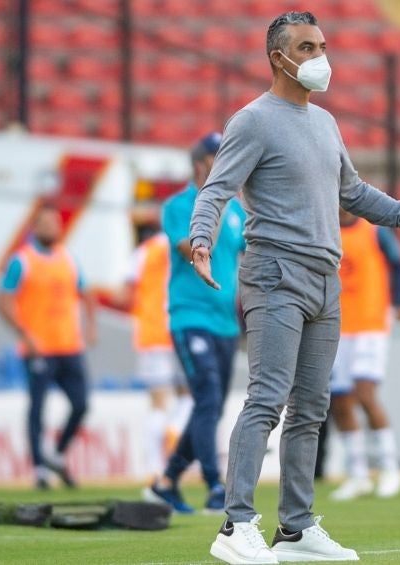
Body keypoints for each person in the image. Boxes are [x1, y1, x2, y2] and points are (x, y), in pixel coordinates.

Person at [186, 12, 400, 564]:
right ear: (278, 58)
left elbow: (355, 194)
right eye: (307, 47)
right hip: (275, 272)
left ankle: (295, 529)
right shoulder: (252, 120)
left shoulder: (325, 122)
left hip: (324, 278)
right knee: (268, 397)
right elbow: (216, 189)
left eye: (321, 45)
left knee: (312, 407)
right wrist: (202, 238)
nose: (320, 56)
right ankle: (235, 523)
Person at [143, 132, 245, 515]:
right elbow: (190, 247)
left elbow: (253, 248)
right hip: (190, 316)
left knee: (211, 407)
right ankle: (214, 484)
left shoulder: (236, 210)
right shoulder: (178, 206)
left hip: (226, 323)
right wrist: (214, 205)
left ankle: (167, 481)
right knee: (208, 399)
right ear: (200, 163)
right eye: (218, 156)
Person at [0, 203, 96, 490]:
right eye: (46, 223)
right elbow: (3, 301)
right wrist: (25, 336)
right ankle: (40, 468)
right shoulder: (22, 261)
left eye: (55, 223)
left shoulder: (68, 259)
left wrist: (90, 327)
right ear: (35, 228)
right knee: (37, 407)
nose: (53, 227)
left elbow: (86, 293)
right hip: (39, 348)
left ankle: (57, 454)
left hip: (69, 345)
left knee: (81, 404)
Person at [328, 208, 400, 501]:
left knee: (365, 393)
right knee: (339, 401)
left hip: (370, 324)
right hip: (336, 325)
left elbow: (398, 266)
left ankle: (390, 469)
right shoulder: (324, 229)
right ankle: (358, 474)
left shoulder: (375, 231)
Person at [123, 227, 194, 480]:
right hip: (182, 328)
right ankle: (175, 430)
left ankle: (154, 466)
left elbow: (127, 293)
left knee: (157, 402)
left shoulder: (144, 252)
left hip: (152, 333)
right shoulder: (189, 245)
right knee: (188, 395)